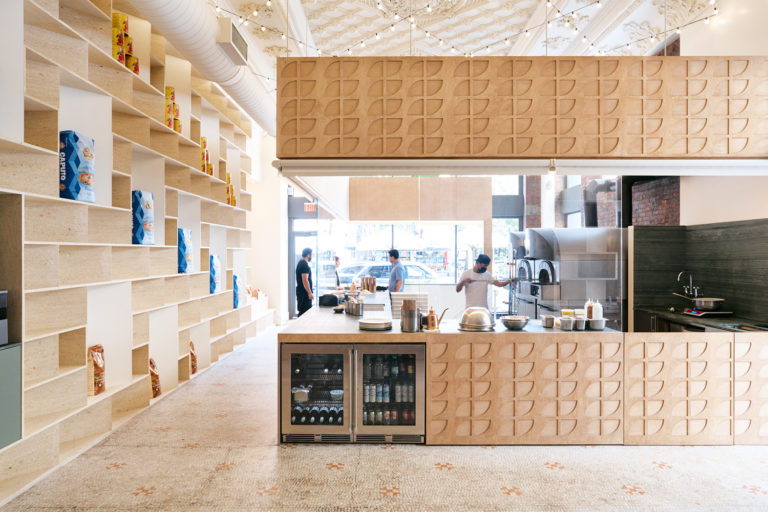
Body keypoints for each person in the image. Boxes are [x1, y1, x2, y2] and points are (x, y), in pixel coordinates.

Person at [295, 248, 313, 316]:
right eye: (311, 255)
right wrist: (310, 293)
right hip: (304, 294)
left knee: (302, 312)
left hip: (301, 292)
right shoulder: (304, 265)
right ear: (308, 255)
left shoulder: (300, 263)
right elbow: (305, 280)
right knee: (305, 313)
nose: (311, 256)